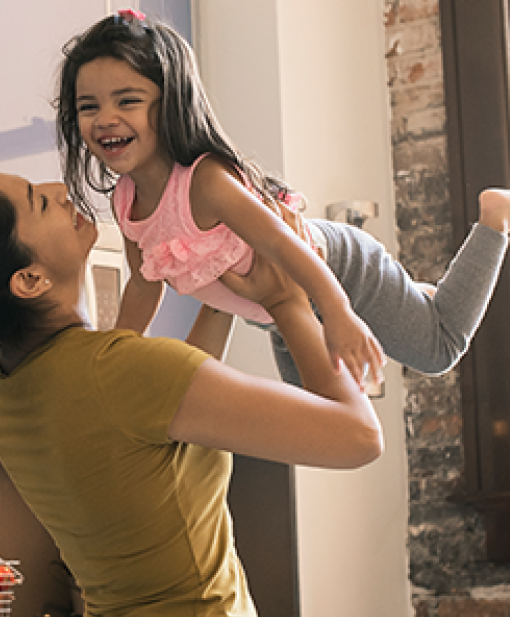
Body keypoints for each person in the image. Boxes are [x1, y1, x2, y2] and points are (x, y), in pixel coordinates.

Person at [0, 165, 384, 617]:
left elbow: (166, 406)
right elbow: (358, 436)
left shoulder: (5, 385)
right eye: (39, 201)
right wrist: (287, 299)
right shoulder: (118, 373)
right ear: (29, 279)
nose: (60, 190)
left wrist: (219, 276)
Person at [56, 9, 510, 388]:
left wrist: (340, 313)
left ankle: (494, 219)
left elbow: (283, 245)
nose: (105, 119)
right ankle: (414, 296)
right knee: (317, 413)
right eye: (89, 106)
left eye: (127, 100)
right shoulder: (126, 200)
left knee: (438, 351)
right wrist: (111, 356)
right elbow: (142, 284)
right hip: (276, 309)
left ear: (169, 101)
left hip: (339, 271)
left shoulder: (205, 182)